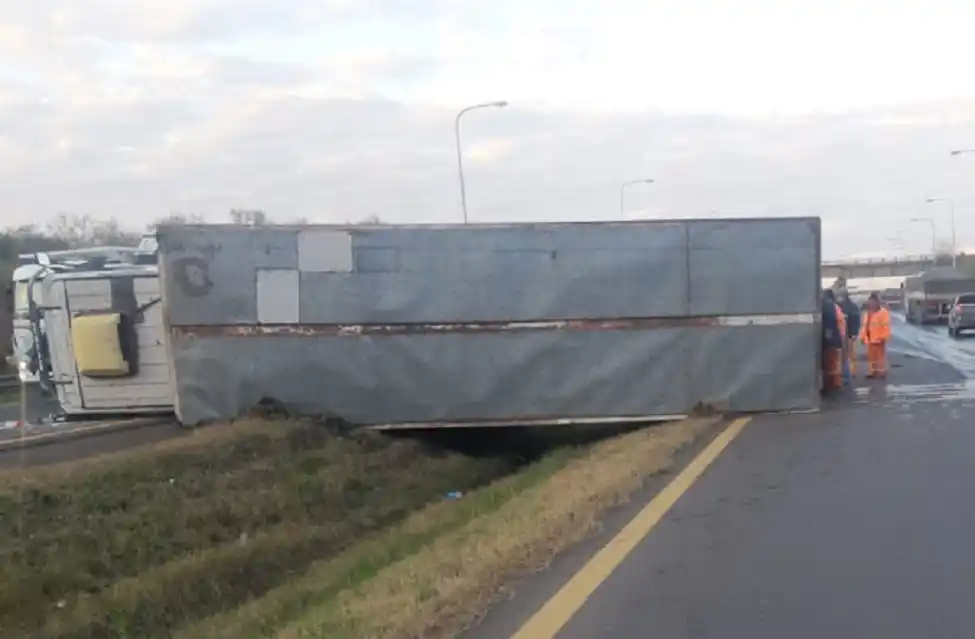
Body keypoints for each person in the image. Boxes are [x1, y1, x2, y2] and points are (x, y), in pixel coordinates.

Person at [860, 292, 891, 378]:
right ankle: (872, 371)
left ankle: (881, 372)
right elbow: (865, 326)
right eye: (870, 303)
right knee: (871, 358)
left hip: (879, 339)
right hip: (870, 339)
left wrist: (883, 337)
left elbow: (886, 327)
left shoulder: (883, 313)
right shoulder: (867, 313)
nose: (871, 304)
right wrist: (863, 337)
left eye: (872, 302)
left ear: (877, 302)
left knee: (880, 357)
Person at [821, 289, 844, 391]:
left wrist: (827, 338)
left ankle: (833, 385)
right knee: (834, 364)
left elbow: (829, 324)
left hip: (831, 340)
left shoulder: (826, 305)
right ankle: (835, 383)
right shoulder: (832, 305)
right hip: (835, 338)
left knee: (831, 364)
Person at [837, 291, 861, 377]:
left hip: (846, 333)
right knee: (849, 353)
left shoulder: (842, 306)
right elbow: (857, 321)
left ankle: (848, 372)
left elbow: (855, 321)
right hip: (849, 333)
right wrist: (855, 332)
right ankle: (850, 371)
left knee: (847, 354)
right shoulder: (853, 306)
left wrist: (853, 333)